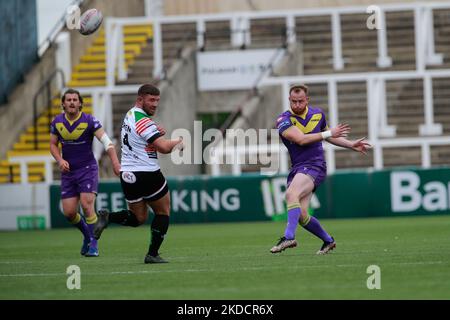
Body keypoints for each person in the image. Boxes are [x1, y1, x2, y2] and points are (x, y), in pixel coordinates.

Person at [270, 84, 371, 255]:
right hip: (298, 167)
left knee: (290, 194)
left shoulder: (318, 114)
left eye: (300, 101)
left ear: (307, 100)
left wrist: (350, 144)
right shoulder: (283, 120)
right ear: (289, 100)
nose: (297, 105)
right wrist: (329, 133)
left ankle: (289, 237)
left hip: (315, 165)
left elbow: (328, 136)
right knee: (301, 214)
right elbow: (301, 139)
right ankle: (328, 241)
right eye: (293, 101)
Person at [93, 84, 183, 264]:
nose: (155, 104)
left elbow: (139, 138)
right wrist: (179, 141)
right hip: (147, 173)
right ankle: (152, 254)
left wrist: (155, 132)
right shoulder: (144, 122)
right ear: (140, 99)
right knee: (163, 212)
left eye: (157, 100)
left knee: (138, 218)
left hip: (128, 175)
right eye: (151, 100)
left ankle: (108, 217)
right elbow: (164, 148)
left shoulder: (130, 115)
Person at [50, 88, 121, 257]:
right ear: (63, 104)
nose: (72, 102)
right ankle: (87, 235)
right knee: (69, 213)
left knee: (87, 205)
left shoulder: (90, 121)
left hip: (87, 169)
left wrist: (115, 162)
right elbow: (53, 145)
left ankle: (94, 245)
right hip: (68, 172)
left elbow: (107, 142)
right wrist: (60, 160)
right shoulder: (57, 122)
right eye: (69, 100)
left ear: (80, 103)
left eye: (75, 99)